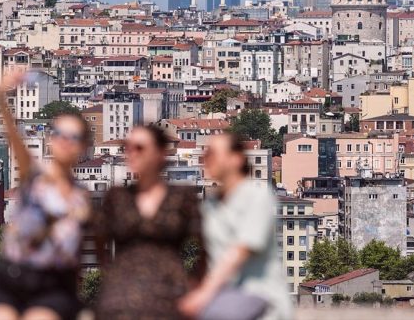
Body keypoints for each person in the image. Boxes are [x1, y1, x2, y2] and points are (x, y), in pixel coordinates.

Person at [0, 70, 90, 320]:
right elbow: (15, 139)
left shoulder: (81, 197)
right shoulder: (34, 175)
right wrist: (1, 97)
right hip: (13, 278)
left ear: (83, 145)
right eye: (58, 133)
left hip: (54, 286)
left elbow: (78, 253)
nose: (64, 141)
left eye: (73, 137)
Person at [94, 125, 204, 320]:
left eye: (140, 148)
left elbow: (204, 246)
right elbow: (99, 243)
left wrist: (194, 288)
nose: (131, 153)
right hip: (121, 296)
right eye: (127, 147)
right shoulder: (117, 196)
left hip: (170, 295)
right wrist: (111, 278)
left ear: (160, 153)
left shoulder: (181, 196)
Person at [179, 133, 293, 320]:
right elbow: (206, 258)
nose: (206, 159)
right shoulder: (210, 205)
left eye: (213, 154)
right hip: (223, 294)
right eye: (205, 154)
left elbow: (240, 251)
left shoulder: (257, 196)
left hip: (257, 293)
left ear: (236, 159)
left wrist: (204, 294)